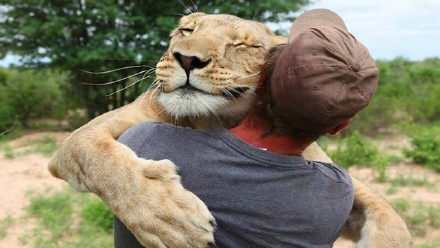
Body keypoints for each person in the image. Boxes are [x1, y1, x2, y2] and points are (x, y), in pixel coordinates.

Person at [114, 8, 378, 248]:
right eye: (186, 30)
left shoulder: (145, 142)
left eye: (245, 46)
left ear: (263, 76)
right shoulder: (336, 192)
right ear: (340, 126)